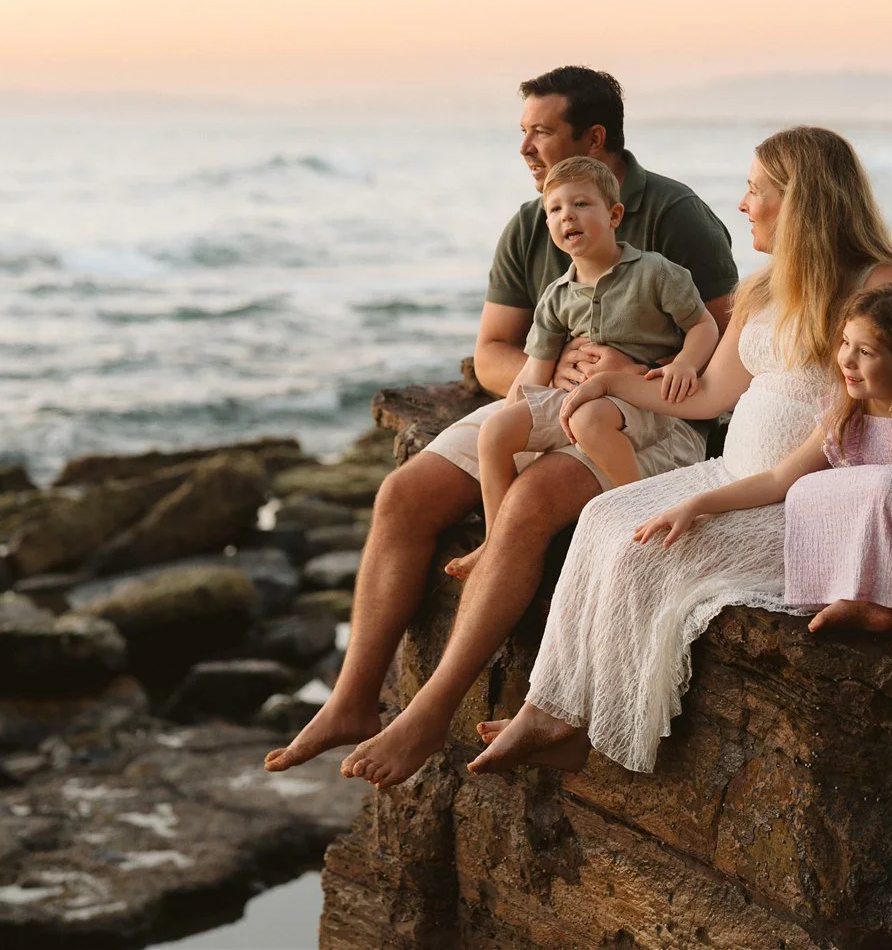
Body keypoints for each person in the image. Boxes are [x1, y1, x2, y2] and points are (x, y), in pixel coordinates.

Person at [469, 126, 892, 778]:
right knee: (602, 520)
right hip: (738, 471)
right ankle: (550, 706)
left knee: (650, 556)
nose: (743, 202)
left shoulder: (879, 279)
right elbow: (708, 394)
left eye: (755, 189)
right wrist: (615, 381)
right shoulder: (761, 287)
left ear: (800, 200)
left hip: (809, 498)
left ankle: (575, 724)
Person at [263, 66, 737, 776]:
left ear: (594, 136)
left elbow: (731, 346)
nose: (524, 147)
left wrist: (626, 373)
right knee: (403, 494)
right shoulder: (531, 221)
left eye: (540, 131)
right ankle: (353, 699)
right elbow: (491, 352)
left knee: (529, 502)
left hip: (645, 416)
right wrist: (545, 372)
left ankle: (428, 713)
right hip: (544, 395)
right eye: (522, 131)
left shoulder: (675, 215)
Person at [630, 282, 892, 658]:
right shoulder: (844, 415)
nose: (846, 359)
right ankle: (868, 602)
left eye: (866, 352)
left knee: (887, 484)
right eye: (845, 342)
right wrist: (696, 505)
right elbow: (778, 480)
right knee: (807, 489)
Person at [454, 154, 721, 582]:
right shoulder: (557, 295)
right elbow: (535, 375)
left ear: (614, 214)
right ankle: (492, 540)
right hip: (576, 396)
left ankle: (635, 514)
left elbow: (703, 326)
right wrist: (516, 415)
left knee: (589, 417)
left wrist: (686, 364)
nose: (567, 216)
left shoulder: (655, 272)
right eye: (555, 209)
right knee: (495, 432)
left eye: (581, 204)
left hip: (642, 398)